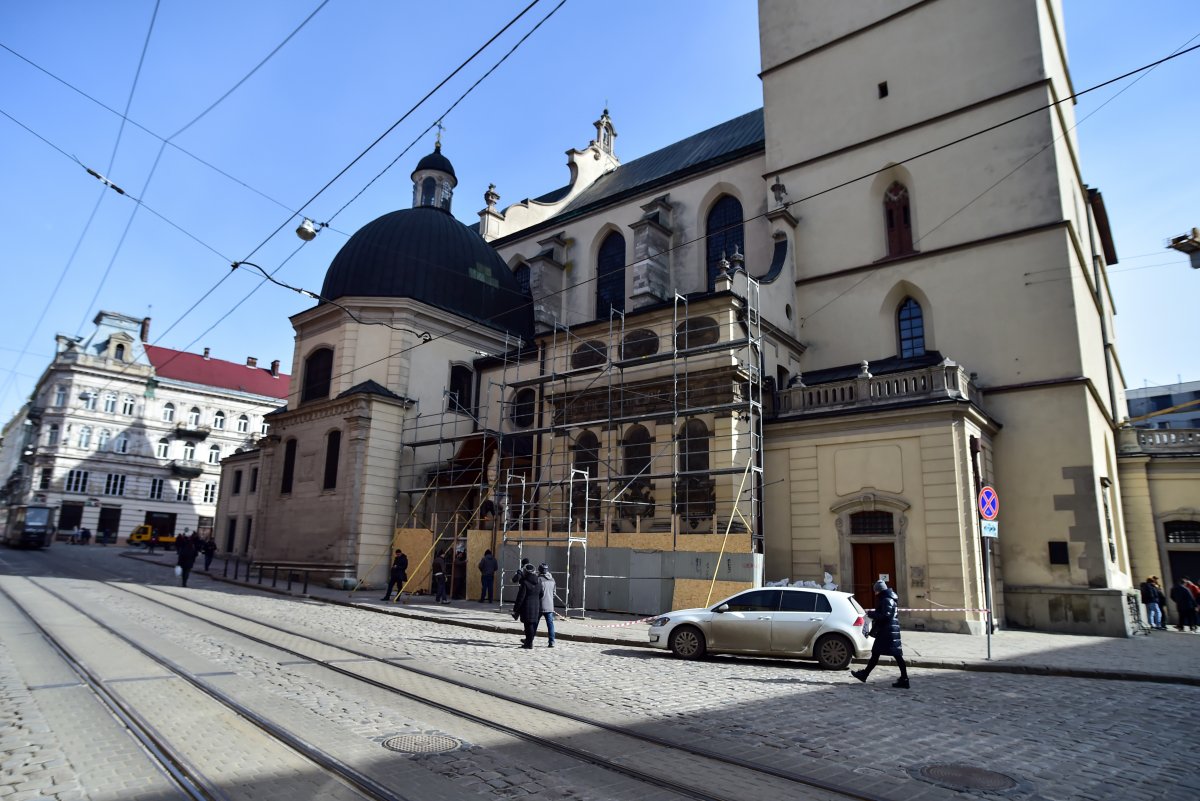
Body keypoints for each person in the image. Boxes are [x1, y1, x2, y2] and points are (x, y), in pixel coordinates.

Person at [851, 579, 910, 688]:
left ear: (879, 591)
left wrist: (871, 614)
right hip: (889, 631)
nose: (875, 593)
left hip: (887, 632)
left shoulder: (886, 599)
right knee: (885, 654)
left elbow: (885, 616)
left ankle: (904, 679)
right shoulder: (889, 598)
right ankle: (903, 678)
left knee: (890, 655)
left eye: (876, 591)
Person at [511, 563, 542, 648]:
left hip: (527, 606)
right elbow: (541, 594)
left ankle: (529, 643)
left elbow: (521, 597)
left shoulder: (525, 583)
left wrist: (515, 609)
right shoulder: (539, 581)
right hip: (536, 606)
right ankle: (529, 642)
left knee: (528, 626)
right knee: (531, 625)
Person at [537, 563, 557, 648]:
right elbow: (554, 594)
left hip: (540, 605)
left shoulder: (539, 579)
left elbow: (536, 593)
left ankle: (529, 639)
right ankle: (552, 641)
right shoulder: (552, 580)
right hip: (549, 605)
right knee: (550, 624)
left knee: (534, 623)